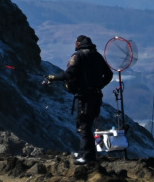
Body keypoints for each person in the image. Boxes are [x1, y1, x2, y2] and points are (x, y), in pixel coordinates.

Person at [46, 35, 114, 163]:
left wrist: (53, 77)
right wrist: (100, 85)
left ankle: (87, 156)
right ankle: (84, 153)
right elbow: (109, 74)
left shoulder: (78, 56)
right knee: (88, 124)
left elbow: (68, 74)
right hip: (97, 96)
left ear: (78, 44)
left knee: (83, 126)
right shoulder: (97, 56)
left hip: (84, 96)